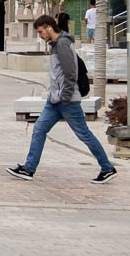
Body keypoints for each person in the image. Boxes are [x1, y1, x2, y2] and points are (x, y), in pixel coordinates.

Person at [9, 14, 117, 184]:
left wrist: (65, 97)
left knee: (84, 135)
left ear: (49, 28)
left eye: (40, 32)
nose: (40, 35)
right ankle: (29, 169)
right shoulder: (56, 45)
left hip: (66, 101)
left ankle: (107, 168)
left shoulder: (63, 45)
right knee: (39, 129)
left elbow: (70, 73)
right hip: (54, 101)